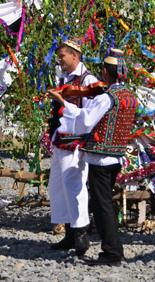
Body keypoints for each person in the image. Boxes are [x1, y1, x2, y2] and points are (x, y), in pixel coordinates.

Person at [48, 49, 138, 266]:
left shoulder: (108, 97)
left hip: (101, 157)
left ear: (106, 71)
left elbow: (87, 121)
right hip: (115, 157)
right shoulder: (129, 95)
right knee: (105, 203)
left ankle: (112, 253)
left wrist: (63, 102)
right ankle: (112, 248)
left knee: (102, 206)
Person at [47, 40, 98, 256]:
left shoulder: (89, 80)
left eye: (62, 56)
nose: (59, 60)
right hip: (62, 140)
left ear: (75, 56)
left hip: (77, 142)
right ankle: (69, 233)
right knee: (58, 186)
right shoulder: (65, 78)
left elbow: (90, 115)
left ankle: (81, 234)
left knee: (74, 186)